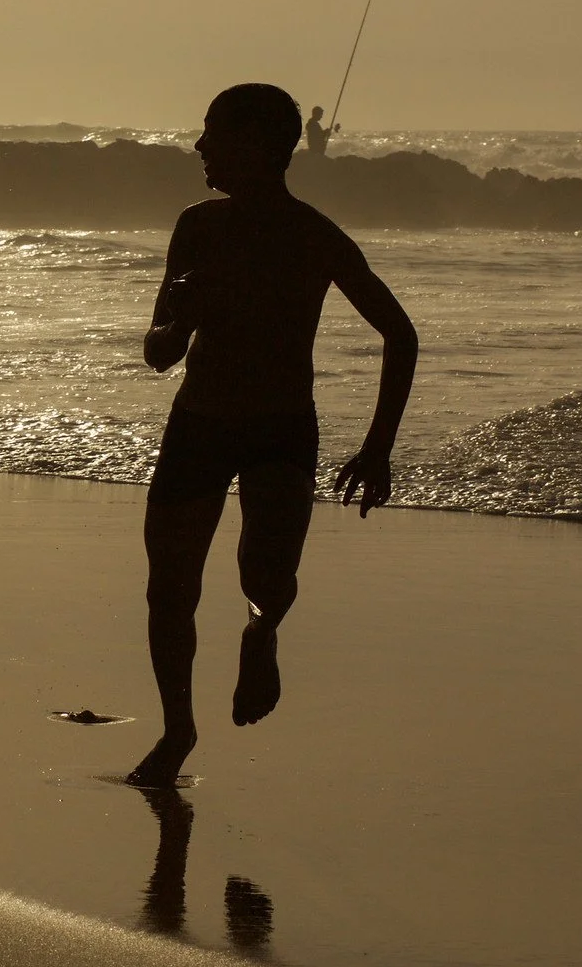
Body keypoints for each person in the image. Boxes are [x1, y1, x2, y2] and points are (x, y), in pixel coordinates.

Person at [126, 83, 417, 790]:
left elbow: (400, 334)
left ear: (255, 146)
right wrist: (181, 320)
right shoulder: (195, 226)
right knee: (170, 589)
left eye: (212, 135)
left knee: (268, 580)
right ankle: (177, 730)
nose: (198, 147)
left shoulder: (313, 235)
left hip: (281, 430)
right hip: (198, 425)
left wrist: (379, 446)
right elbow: (159, 353)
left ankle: (261, 633)